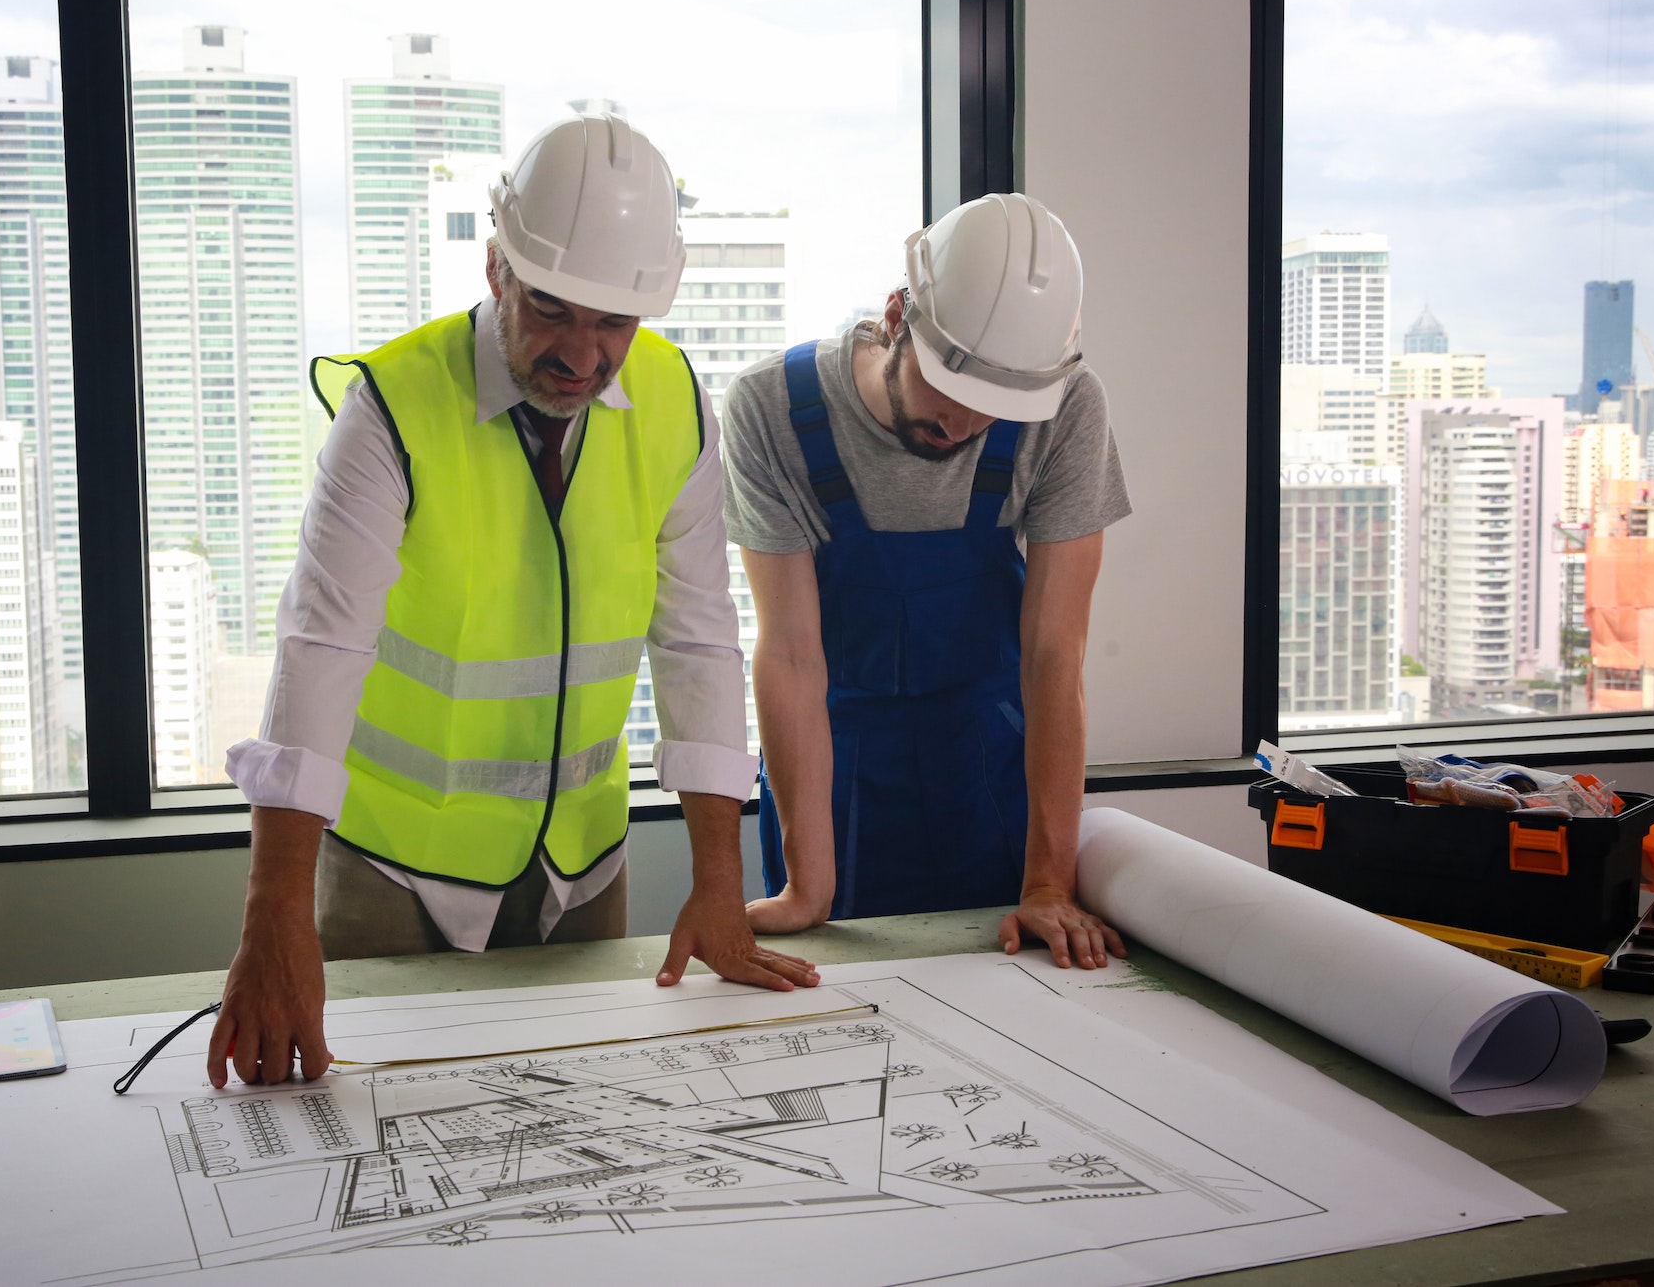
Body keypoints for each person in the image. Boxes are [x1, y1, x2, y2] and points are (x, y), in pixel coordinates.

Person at [208, 112, 818, 1089]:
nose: (582, 353)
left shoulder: (671, 402)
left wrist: (717, 879)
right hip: (391, 870)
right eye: (551, 309)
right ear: (496, 269)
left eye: (612, 321)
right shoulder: (393, 410)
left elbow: (698, 642)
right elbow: (319, 652)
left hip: (578, 866)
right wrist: (271, 917)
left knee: (579, 1117)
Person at [721, 192, 1130, 970]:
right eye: (956, 389)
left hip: (993, 778)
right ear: (897, 315)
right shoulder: (770, 408)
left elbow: (1054, 655)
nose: (967, 427)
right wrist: (809, 883)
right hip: (834, 780)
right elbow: (791, 656)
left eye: (997, 407)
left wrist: (1048, 879)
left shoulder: (1067, 409)